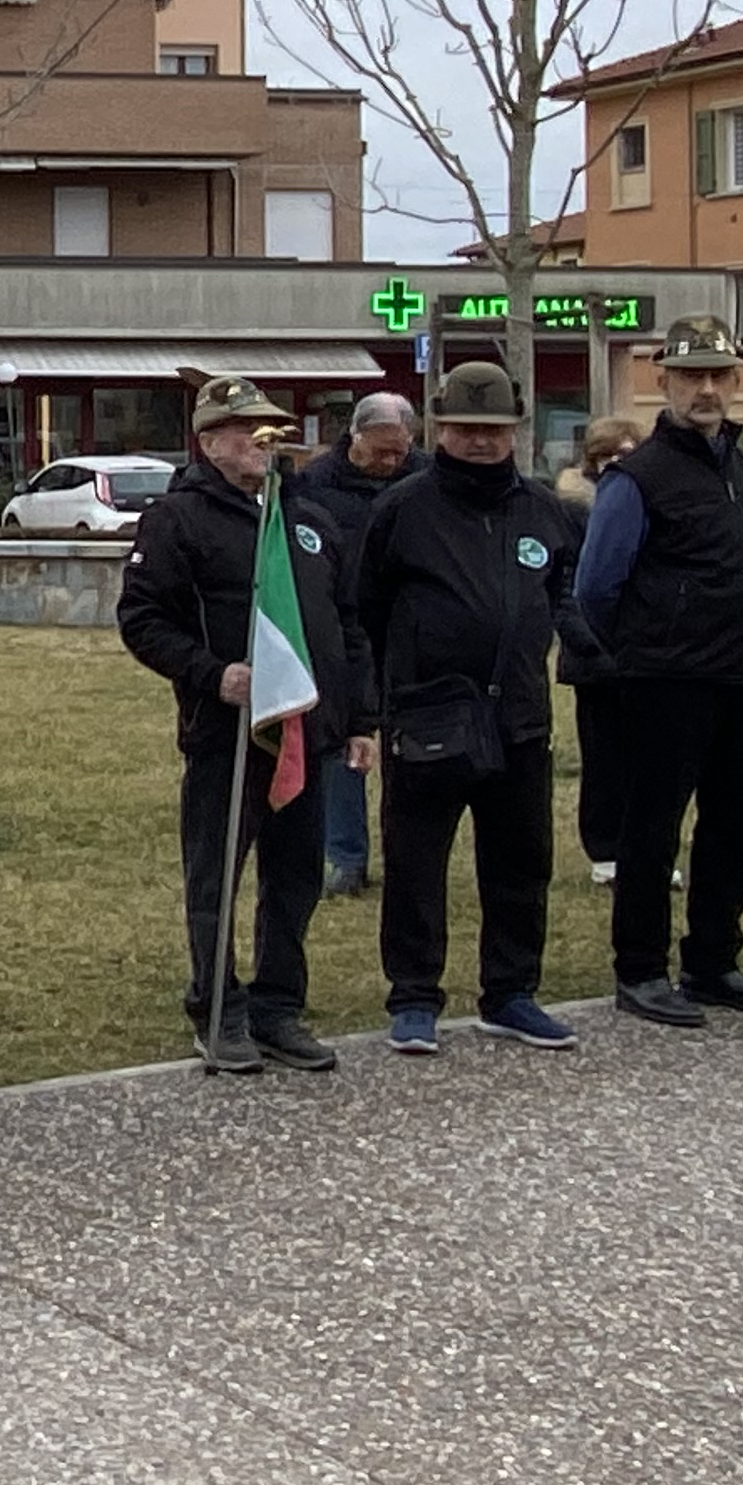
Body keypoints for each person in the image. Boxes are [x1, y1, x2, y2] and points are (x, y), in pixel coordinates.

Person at [118, 375, 378, 1077]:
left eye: (267, 426)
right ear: (208, 442)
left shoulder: (308, 519)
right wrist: (212, 674)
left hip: (307, 734)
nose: (260, 439)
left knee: (294, 881)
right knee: (218, 881)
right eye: (241, 428)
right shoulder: (178, 520)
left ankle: (277, 1008)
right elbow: (141, 620)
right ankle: (216, 1009)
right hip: (226, 737)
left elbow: (345, 625)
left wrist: (360, 718)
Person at [570, 316, 743, 1028]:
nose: (706, 388)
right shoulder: (636, 478)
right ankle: (639, 969)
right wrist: (646, 650)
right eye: (690, 376)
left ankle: (713, 961)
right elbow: (596, 587)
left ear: (735, 382)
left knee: (736, 827)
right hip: (666, 681)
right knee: (652, 828)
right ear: (662, 381)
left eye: (719, 375)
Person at [350, 361, 583, 1053]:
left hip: (518, 717)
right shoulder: (402, 508)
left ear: (515, 429)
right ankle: (415, 997)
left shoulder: (544, 509)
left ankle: (511, 993)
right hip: (428, 717)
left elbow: (561, 591)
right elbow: (367, 608)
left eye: (493, 430)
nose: (480, 442)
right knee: (417, 863)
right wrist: (388, 695)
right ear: (440, 428)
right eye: (465, 429)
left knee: (521, 863)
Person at [292, 392, 420, 899]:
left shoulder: (423, 481)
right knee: (346, 747)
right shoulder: (316, 486)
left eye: (400, 453)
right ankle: (346, 857)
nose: (391, 463)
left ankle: (407, 856)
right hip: (347, 635)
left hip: (410, 635)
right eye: (381, 452)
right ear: (356, 438)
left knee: (409, 755)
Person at [556, 413, 640, 889]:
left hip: (643, 654)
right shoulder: (570, 508)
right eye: (607, 457)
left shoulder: (646, 498)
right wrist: (595, 644)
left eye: (626, 456)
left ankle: (640, 844)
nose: (615, 465)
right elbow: (567, 588)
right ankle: (604, 847)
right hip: (593, 658)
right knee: (603, 760)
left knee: (644, 759)